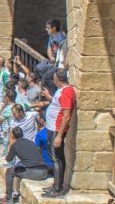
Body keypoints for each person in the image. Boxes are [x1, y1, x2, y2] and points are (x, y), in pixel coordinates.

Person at [43, 68, 76, 197]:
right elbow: (58, 105)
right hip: (52, 128)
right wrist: (49, 97)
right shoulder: (62, 90)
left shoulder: (67, 92)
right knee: (54, 157)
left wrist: (60, 136)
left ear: (56, 79)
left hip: (57, 130)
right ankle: (55, 184)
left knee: (58, 159)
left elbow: (66, 115)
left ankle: (57, 188)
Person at [1, 126, 50, 204]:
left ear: (12, 135)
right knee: (18, 167)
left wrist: (10, 144)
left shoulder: (15, 145)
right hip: (44, 171)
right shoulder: (31, 142)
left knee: (9, 171)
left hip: (35, 173)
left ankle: (8, 198)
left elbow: (9, 159)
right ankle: (16, 193)